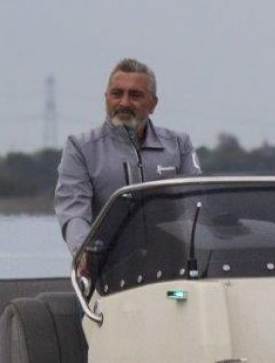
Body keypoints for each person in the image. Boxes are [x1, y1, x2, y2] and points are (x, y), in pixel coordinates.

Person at [54, 58, 201, 255]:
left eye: (135, 95)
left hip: (171, 266)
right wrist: (84, 252)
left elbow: (197, 205)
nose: (124, 102)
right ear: (106, 98)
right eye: (117, 94)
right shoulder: (80, 147)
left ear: (153, 104)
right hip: (108, 266)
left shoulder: (179, 144)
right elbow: (73, 212)